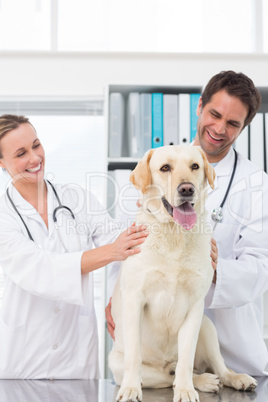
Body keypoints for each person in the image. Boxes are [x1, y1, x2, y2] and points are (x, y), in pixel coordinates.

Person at [106, 71, 268, 376]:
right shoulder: (156, 167)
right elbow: (126, 247)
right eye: (214, 114)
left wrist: (215, 267)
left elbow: (262, 269)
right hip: (156, 355)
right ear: (200, 107)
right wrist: (116, 300)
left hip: (233, 354)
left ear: (244, 126)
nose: (219, 129)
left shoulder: (258, 184)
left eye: (233, 123)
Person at [0, 114, 149, 379]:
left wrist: (153, 209)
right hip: (23, 363)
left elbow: (120, 242)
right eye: (21, 153)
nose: (35, 158)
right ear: (2, 162)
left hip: (76, 359)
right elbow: (40, 269)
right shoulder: (4, 216)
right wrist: (112, 250)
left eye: (36, 145)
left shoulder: (76, 198)